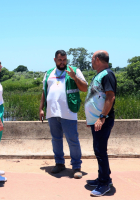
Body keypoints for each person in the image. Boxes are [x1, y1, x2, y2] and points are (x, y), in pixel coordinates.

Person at [39, 50, 88, 179]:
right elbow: (44, 92)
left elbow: (85, 88)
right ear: (55, 60)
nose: (63, 62)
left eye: (64, 59)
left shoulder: (74, 71)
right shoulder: (48, 73)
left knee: (72, 140)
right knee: (56, 139)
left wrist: (74, 78)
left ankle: (76, 167)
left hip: (69, 112)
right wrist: (41, 109)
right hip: (52, 112)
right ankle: (59, 163)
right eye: (60, 60)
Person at [85, 50, 116, 197]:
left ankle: (104, 184)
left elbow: (110, 97)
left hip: (102, 120)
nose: (91, 61)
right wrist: (91, 119)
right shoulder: (100, 74)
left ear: (97, 59)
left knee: (100, 151)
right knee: (99, 151)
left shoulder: (107, 74)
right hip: (96, 121)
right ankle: (102, 177)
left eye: (92, 58)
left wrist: (102, 116)